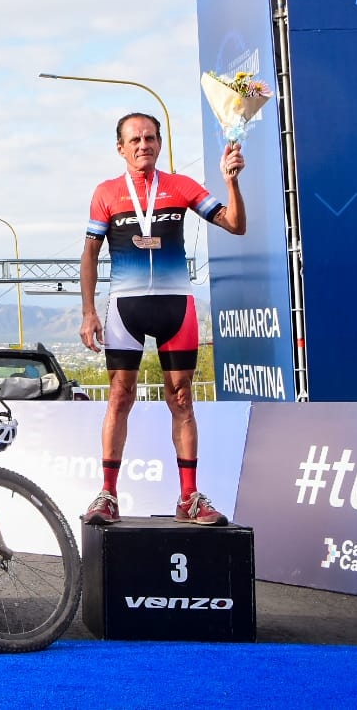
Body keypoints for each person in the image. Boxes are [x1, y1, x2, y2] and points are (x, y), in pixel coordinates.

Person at [79, 113, 245, 526]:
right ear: (121, 148)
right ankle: (107, 495)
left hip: (176, 306)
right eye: (135, 139)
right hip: (125, 308)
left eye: (150, 138)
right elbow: (90, 254)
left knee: (182, 398)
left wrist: (231, 181)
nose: (143, 145)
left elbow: (235, 225)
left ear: (159, 143)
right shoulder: (106, 192)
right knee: (120, 397)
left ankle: (189, 498)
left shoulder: (181, 186)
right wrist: (88, 311)